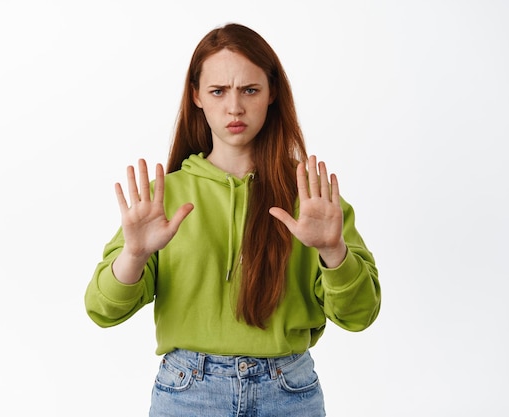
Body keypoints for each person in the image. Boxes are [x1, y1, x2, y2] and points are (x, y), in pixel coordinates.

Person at [85, 23, 381, 416]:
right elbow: (102, 309)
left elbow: (360, 314)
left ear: (272, 93)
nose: (235, 107)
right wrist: (135, 254)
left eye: (250, 90)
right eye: (218, 91)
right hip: (188, 393)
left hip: (288, 392)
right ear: (196, 97)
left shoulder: (311, 197)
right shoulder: (165, 197)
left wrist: (334, 251)